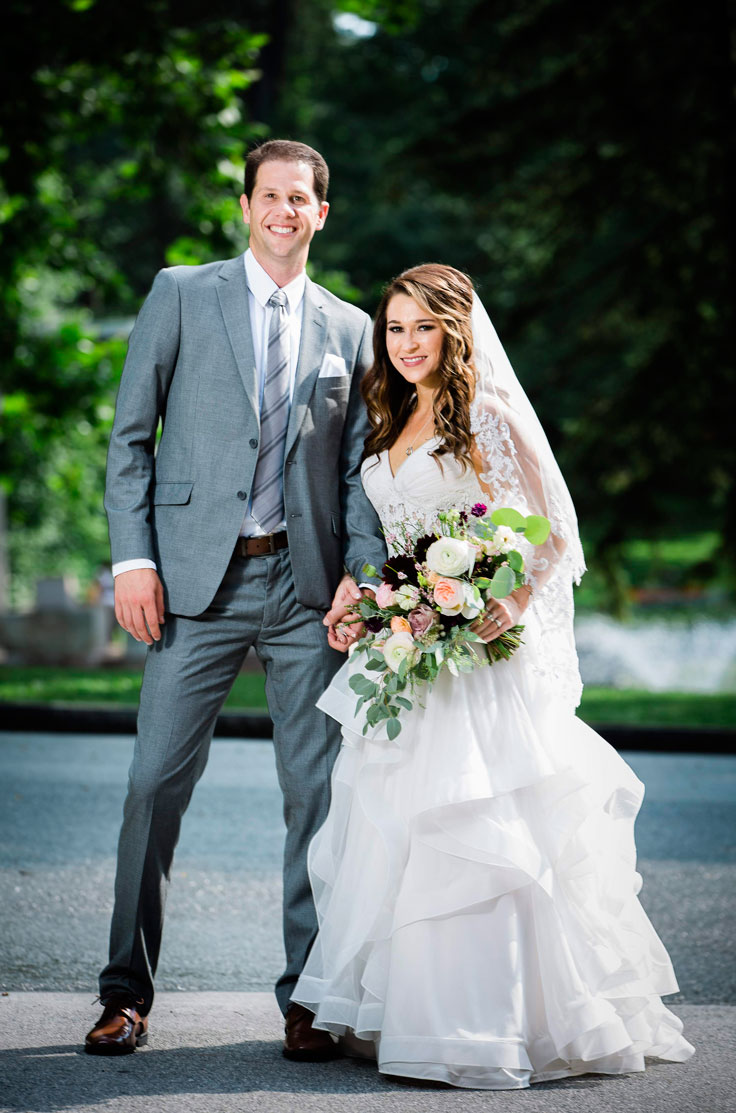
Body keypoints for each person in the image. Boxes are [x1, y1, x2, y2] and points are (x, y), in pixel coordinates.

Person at [292, 263, 695, 1088]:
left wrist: (502, 603)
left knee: (479, 833)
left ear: (454, 330)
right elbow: (399, 541)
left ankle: (492, 1022)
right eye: (393, 328)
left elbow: (551, 534)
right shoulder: (392, 414)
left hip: (476, 657)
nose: (405, 344)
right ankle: (411, 1010)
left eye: (422, 328)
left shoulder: (488, 414)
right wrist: (367, 602)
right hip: (409, 651)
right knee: (394, 830)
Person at [84, 140, 386, 1057]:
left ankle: (309, 996)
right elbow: (130, 439)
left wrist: (358, 575)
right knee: (151, 786)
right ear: (246, 205)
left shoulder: (349, 327)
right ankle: (124, 993)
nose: (284, 210)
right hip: (190, 586)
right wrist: (132, 561)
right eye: (270, 195)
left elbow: (359, 472)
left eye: (301, 198)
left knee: (318, 796)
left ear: (320, 214)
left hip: (306, 590)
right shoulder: (181, 292)